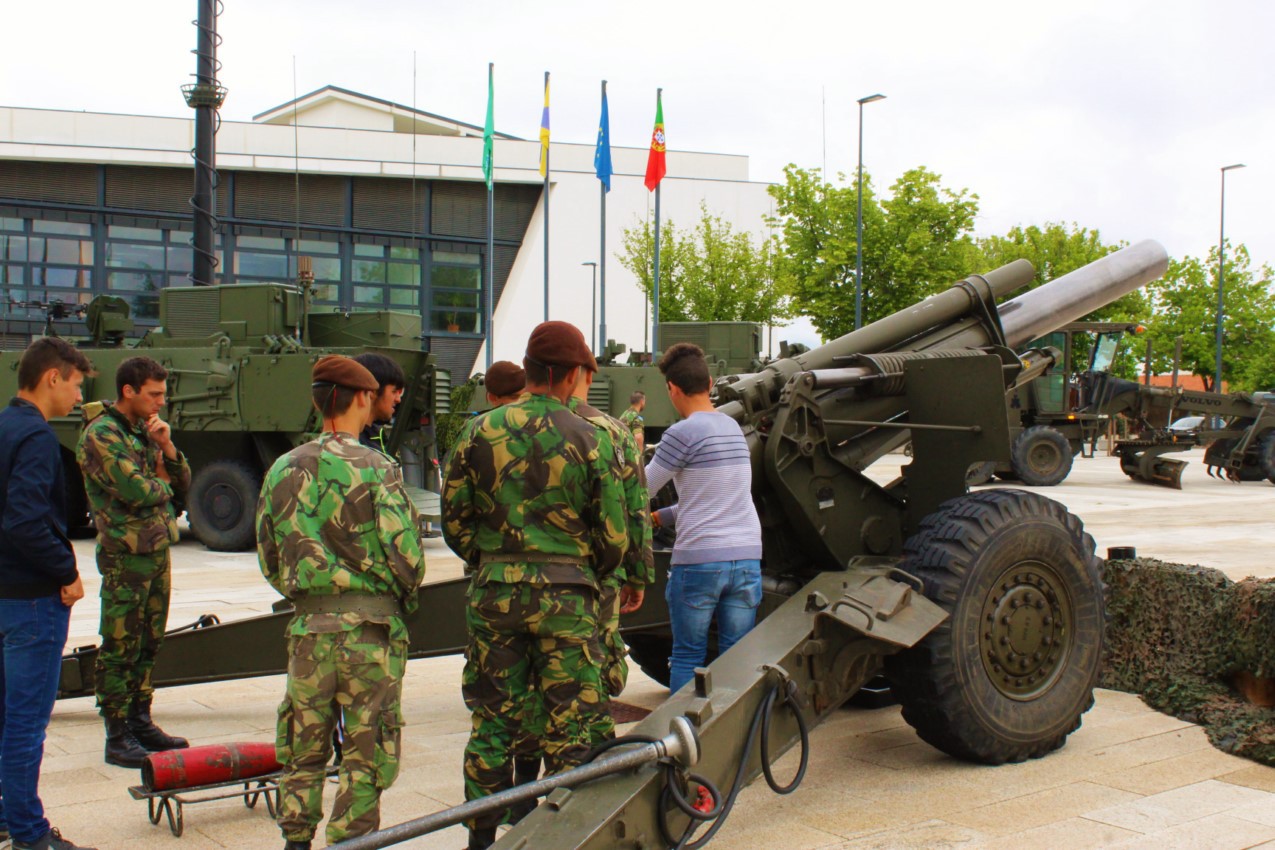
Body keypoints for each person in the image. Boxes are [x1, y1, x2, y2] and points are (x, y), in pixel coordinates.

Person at [443, 321, 628, 850]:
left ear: (528, 372)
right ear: (572, 375)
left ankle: (481, 836)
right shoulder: (590, 435)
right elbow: (613, 537)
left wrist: (493, 561)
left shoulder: (478, 431)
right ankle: (567, 833)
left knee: (493, 721)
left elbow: (454, 521)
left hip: (495, 593)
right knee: (573, 724)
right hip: (567, 600)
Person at [257, 355, 426, 850]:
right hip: (372, 635)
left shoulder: (283, 468)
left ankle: (295, 840)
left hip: (308, 632)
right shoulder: (379, 469)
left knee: (302, 747)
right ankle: (351, 842)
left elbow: (269, 554)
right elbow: (407, 558)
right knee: (366, 751)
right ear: (361, 398)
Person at [504, 365, 654, 819]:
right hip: (591, 584)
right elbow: (634, 512)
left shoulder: (508, 424)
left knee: (530, 684)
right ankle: (579, 794)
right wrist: (635, 574)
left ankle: (522, 791)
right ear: (583, 375)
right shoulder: (611, 431)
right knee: (589, 683)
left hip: (515, 582)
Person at [0, 339, 97, 850]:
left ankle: (4, 814)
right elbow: (24, 520)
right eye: (77, 383)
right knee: (25, 723)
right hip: (32, 601)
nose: (80, 395)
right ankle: (29, 833)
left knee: (4, 717)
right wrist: (66, 570)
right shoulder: (36, 435)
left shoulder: (2, 425)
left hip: (4, 591)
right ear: (53, 377)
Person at [77, 356, 191, 768]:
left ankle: (141, 720)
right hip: (126, 556)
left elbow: (182, 485)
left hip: (156, 550)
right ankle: (117, 733)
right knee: (120, 645)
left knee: (149, 642)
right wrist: (161, 481)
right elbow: (138, 490)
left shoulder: (145, 431)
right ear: (129, 391)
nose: (162, 401)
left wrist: (166, 448)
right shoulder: (102, 435)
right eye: (154, 394)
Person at [645, 342, 762, 694]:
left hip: (698, 563)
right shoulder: (734, 430)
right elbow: (712, 499)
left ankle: (687, 739)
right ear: (710, 383)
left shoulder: (681, 433)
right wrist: (659, 518)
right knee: (735, 659)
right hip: (745, 560)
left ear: (672, 389)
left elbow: (641, 489)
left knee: (687, 656)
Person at [351, 352, 406, 457]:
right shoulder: (357, 446)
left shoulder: (374, 436)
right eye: (394, 392)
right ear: (372, 392)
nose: (398, 399)